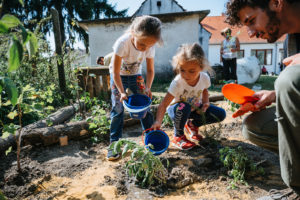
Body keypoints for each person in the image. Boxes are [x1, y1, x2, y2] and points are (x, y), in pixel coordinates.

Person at [225, 0, 300, 199]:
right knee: (253, 126)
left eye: (251, 21)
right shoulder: (291, 41)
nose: (250, 33)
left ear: (276, 3)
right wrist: (273, 94)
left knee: (290, 78)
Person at [107, 15, 163, 160]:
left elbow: (150, 70)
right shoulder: (122, 43)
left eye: (149, 45)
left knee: (146, 106)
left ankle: (151, 139)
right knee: (118, 109)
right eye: (142, 44)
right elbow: (115, 71)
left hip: (136, 76)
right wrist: (121, 92)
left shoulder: (149, 47)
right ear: (133, 33)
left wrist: (148, 88)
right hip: (118, 76)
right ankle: (114, 145)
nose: (145, 48)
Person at [151, 43, 226, 150]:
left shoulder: (204, 78)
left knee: (220, 114)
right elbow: (163, 104)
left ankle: (192, 125)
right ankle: (178, 136)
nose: (186, 75)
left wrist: (205, 103)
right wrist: (158, 121)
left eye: (191, 71)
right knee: (183, 106)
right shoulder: (177, 83)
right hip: (177, 110)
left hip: (195, 108)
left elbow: (205, 90)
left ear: (201, 67)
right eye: (182, 70)